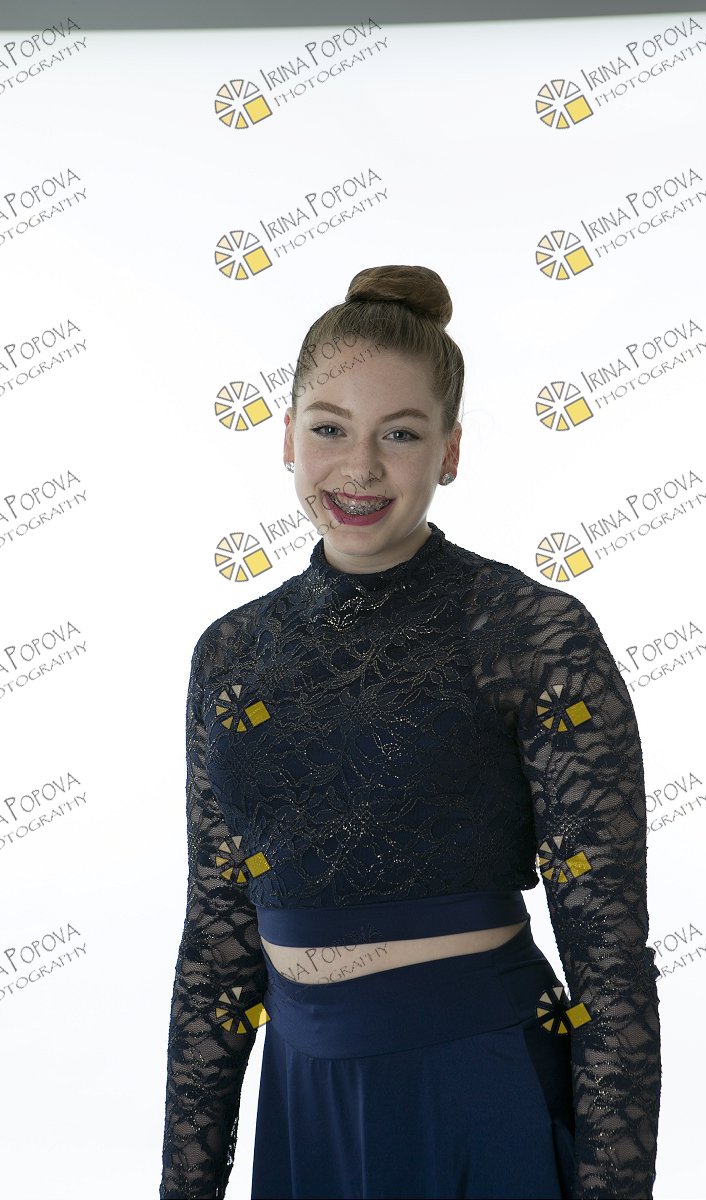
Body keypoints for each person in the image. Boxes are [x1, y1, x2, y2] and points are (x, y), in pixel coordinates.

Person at [158, 264, 662, 1200]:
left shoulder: (531, 636)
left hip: (480, 1090)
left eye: (399, 434)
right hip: (303, 1107)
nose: (359, 468)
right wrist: (184, 1187)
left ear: (450, 451)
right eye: (329, 429)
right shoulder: (230, 655)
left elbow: (611, 958)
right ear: (286, 436)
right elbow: (218, 943)